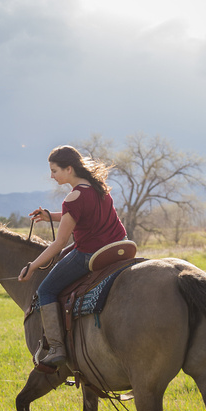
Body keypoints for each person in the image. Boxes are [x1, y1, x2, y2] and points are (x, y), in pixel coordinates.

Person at [18, 145, 127, 368]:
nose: (51, 175)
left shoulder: (73, 197)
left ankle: (57, 348)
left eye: (54, 170)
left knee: (46, 290)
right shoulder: (98, 188)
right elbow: (79, 215)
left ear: (69, 169)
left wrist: (32, 266)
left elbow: (59, 244)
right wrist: (50, 216)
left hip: (90, 254)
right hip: (118, 247)